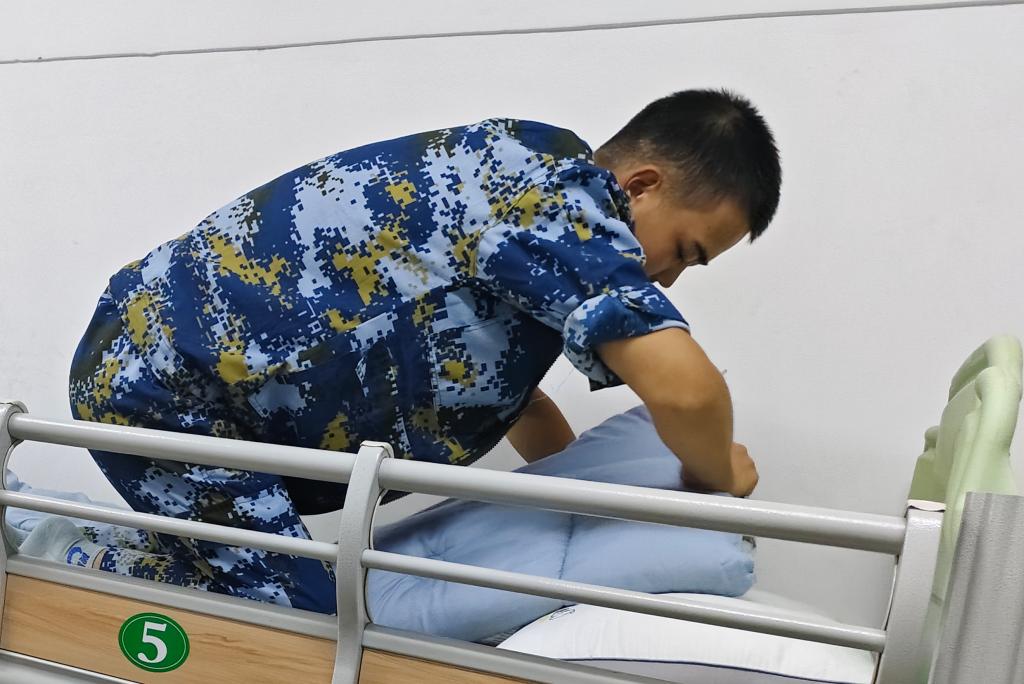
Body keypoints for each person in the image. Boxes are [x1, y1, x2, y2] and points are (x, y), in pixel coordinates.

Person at [53, 88, 781, 613]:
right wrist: (714, 475)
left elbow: (514, 399)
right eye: (685, 250)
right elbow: (688, 391)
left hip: (169, 369)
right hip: (170, 389)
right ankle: (56, 554)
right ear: (641, 186)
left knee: (273, 587)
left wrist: (573, 491)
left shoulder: (521, 179)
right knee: (304, 627)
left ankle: (60, 536)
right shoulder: (557, 198)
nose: (668, 276)